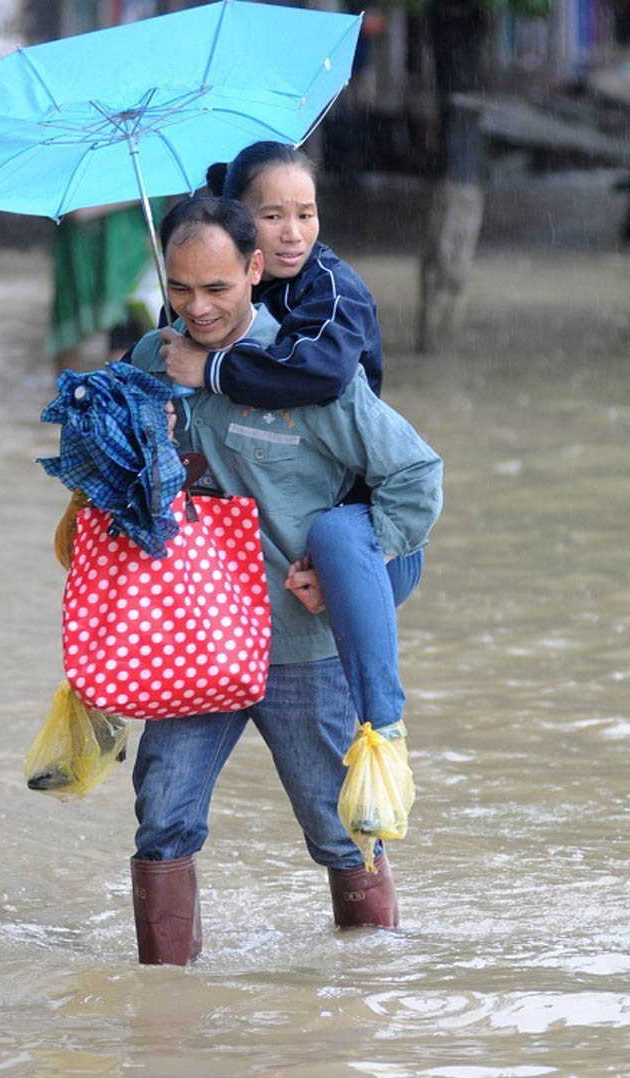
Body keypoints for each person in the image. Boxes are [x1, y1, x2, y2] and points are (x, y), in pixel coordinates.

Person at [121, 196, 442, 964]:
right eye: (180, 288)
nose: (197, 307)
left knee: (342, 830)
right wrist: (143, 447)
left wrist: (348, 568)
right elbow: (105, 491)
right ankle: (165, 1015)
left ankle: (369, 996)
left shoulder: (307, 373)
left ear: (255, 271)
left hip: (300, 644)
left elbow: (416, 477)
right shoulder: (147, 365)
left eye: (219, 288)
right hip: (192, 649)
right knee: (161, 812)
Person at [158, 141, 421, 755]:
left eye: (306, 213)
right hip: (262, 558)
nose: (292, 234)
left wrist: (212, 369)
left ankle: (384, 734)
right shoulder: (205, 296)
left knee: (331, 537)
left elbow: (324, 373)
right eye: (272, 216)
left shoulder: (330, 287)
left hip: (358, 515)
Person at [46, 202, 160, 376]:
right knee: (70, 326)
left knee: (124, 334)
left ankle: (118, 395)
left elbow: (78, 211)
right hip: (84, 254)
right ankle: (69, 395)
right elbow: (76, 211)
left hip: (126, 254)